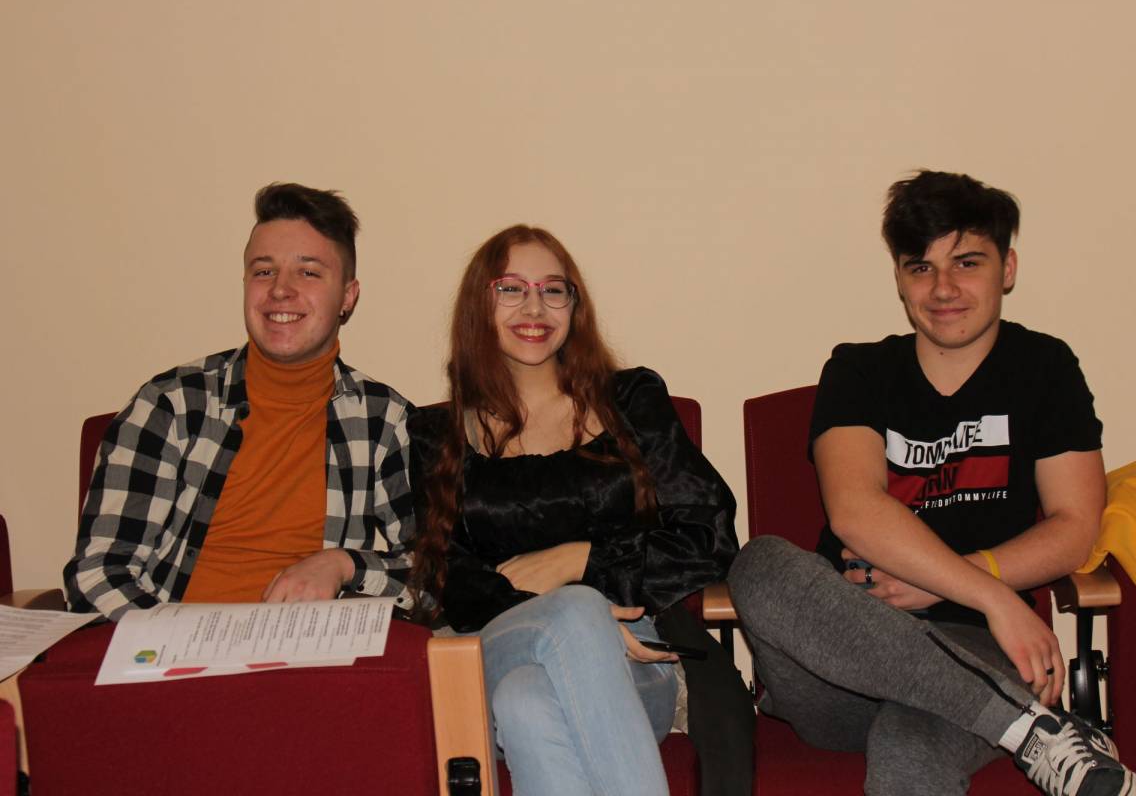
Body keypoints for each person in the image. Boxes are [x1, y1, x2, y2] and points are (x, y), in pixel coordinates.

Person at [729, 171, 1136, 795]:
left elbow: (1075, 526)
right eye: (920, 268)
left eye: (967, 263)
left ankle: (1016, 723)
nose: (943, 288)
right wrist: (994, 596)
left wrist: (961, 588)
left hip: (979, 645)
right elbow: (854, 511)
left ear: (1007, 268)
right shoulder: (859, 370)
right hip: (838, 658)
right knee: (757, 565)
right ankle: (1035, 730)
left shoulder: (1044, 368)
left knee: (909, 749)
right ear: (899, 279)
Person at [408, 225, 747, 796]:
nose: (534, 307)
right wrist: (573, 615)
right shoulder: (434, 433)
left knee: (527, 701)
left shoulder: (630, 401)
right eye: (510, 289)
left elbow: (709, 535)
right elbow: (447, 576)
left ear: (574, 305)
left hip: (634, 656)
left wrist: (581, 560)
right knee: (575, 615)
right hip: (495, 640)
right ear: (478, 306)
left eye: (553, 289)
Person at [65, 183, 416, 620]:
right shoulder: (170, 406)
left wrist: (343, 565)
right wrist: (177, 642)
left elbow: (436, 577)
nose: (281, 290)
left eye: (308, 273)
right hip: (167, 645)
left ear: (347, 296)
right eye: (264, 271)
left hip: (308, 649)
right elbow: (96, 574)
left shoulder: (385, 421)